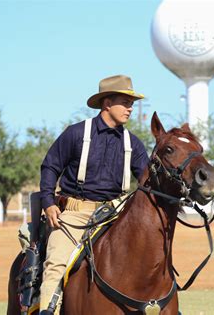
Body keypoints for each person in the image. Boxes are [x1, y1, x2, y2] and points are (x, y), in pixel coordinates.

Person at [39, 74, 150, 314]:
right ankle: (48, 310)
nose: (130, 108)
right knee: (56, 264)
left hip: (115, 216)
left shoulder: (134, 144)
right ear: (107, 103)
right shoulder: (77, 133)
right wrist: (48, 203)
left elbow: (148, 182)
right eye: (125, 102)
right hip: (75, 216)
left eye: (132, 103)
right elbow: (50, 166)